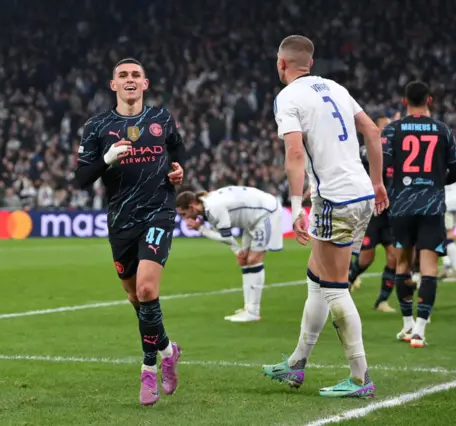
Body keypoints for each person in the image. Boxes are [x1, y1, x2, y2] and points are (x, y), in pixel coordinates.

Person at [262, 35, 388, 398]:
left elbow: (295, 152)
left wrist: (296, 205)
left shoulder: (287, 98)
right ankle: (297, 363)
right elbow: (373, 131)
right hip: (361, 192)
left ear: (281, 64)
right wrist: (378, 183)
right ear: (310, 64)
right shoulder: (336, 87)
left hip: (334, 199)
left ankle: (360, 377)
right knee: (316, 278)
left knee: (333, 286)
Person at [74, 58, 185, 406]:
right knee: (136, 298)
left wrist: (180, 170)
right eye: (123, 75)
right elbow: (80, 178)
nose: (130, 80)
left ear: (145, 83)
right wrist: (106, 159)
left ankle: (149, 370)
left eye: (135, 75)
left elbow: (178, 151)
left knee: (147, 288)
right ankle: (167, 348)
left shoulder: (161, 119)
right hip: (121, 220)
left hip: (158, 212)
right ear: (113, 85)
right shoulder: (97, 126)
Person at [383, 81, 456, 348]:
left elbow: (382, 166)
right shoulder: (442, 130)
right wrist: (434, 180)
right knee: (429, 268)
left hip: (402, 205)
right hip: (432, 207)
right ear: (429, 100)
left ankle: (405, 325)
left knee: (402, 263)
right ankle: (419, 331)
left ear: (404, 102)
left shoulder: (393, 129)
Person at [175, 186, 283, 322]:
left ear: (192, 207)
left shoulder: (213, 208)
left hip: (265, 214)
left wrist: (200, 228)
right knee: (245, 261)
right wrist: (238, 251)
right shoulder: (207, 203)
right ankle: (248, 307)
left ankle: (253, 312)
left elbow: (225, 237)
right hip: (253, 218)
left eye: (184, 214)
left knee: (254, 259)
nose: (185, 219)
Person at [348, 114, 399, 313]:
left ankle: (382, 301)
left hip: (392, 213)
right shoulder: (364, 152)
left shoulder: (396, 151)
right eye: (384, 126)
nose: (388, 128)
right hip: (371, 213)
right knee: (366, 258)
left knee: (393, 256)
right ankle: (348, 281)